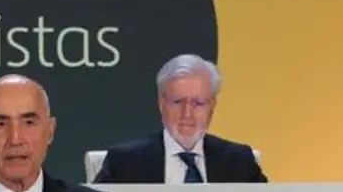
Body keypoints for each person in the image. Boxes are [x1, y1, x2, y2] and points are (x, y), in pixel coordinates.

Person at [93, 54, 267, 184]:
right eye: (177, 102)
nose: (187, 114)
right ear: (161, 103)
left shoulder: (240, 162)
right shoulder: (124, 162)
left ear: (212, 106)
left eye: (198, 103)